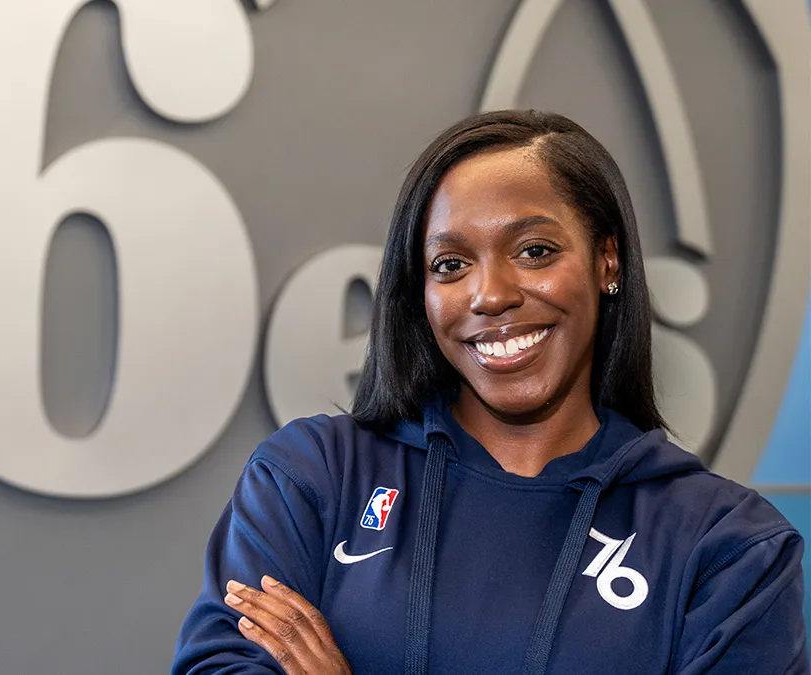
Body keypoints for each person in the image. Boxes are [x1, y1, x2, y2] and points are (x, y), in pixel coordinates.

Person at [171, 110, 808, 675]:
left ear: (607, 261)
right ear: (418, 292)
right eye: (450, 265)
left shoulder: (726, 548)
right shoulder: (314, 478)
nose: (489, 295)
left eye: (534, 251)